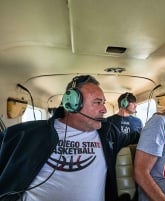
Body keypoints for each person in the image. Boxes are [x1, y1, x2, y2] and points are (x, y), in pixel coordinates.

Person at [0, 75, 140, 201]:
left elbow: (137, 137)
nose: (104, 109)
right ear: (72, 103)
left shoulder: (109, 133)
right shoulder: (26, 134)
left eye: (103, 103)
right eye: (97, 102)